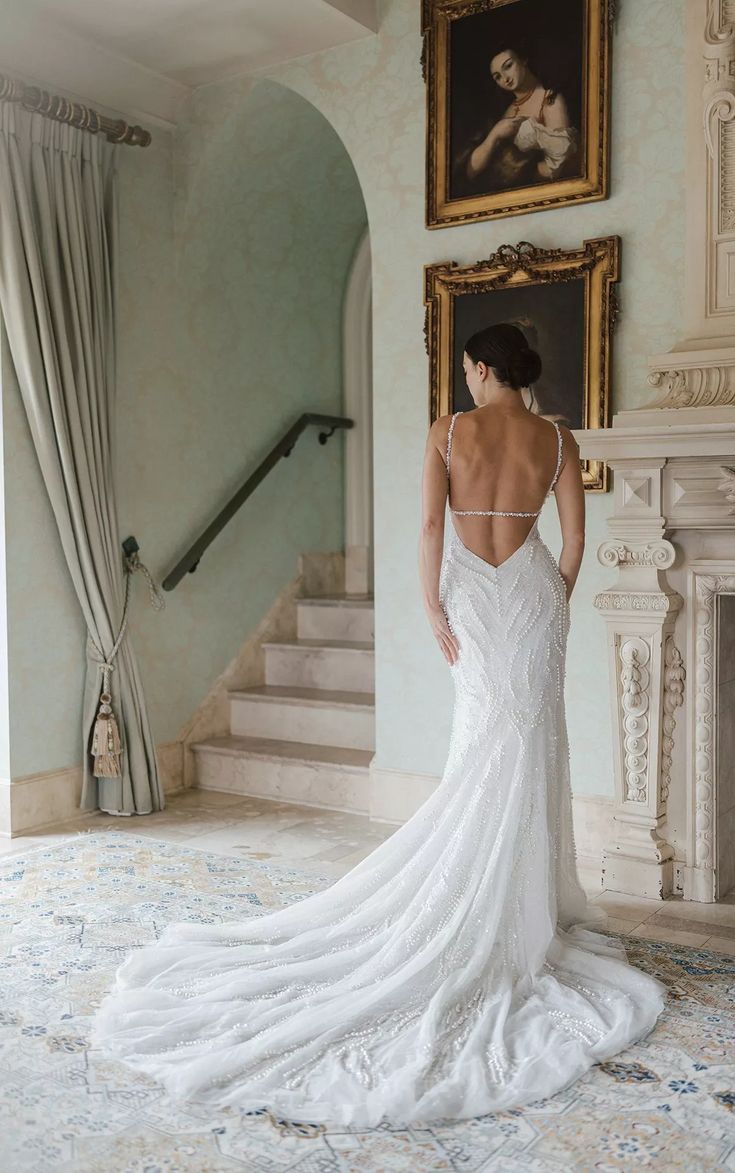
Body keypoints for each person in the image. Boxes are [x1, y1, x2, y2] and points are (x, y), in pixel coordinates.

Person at [90, 324, 666, 1129]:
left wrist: (431, 600)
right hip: (531, 594)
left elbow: (431, 528)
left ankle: (493, 899)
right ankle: (520, 903)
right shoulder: (556, 438)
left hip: (470, 588)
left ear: (481, 367)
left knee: (484, 741)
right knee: (529, 743)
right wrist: (552, 601)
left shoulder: (450, 431)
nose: (465, 380)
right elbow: (573, 541)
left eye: (468, 367)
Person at [458, 45, 579, 193]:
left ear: (523, 60)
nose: (505, 79)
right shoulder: (507, 112)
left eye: (508, 66)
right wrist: (494, 134)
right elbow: (471, 172)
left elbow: (560, 162)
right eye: (497, 77)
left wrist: (521, 175)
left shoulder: (549, 100)